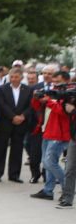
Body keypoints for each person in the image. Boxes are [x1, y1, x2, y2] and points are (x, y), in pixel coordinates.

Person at [31, 72, 72, 201]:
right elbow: (36, 106)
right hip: (47, 131)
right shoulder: (52, 91)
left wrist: (48, 101)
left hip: (60, 134)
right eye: (54, 80)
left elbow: (64, 112)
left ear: (66, 80)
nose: (55, 83)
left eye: (58, 81)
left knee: (50, 162)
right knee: (47, 163)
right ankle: (48, 191)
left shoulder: (70, 94)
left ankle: (68, 189)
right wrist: (36, 98)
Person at [0, 67, 32, 182]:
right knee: (0, 148)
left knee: (17, 149)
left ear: (21, 77)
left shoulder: (28, 90)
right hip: (5, 123)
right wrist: (13, 116)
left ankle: (14, 175)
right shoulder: (1, 89)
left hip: (20, 124)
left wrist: (22, 116)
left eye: (16, 77)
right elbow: (1, 104)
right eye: (11, 77)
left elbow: (30, 106)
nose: (13, 79)